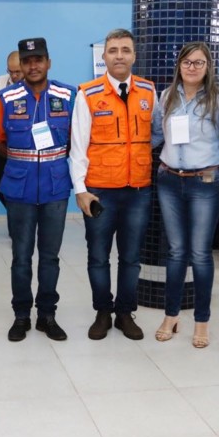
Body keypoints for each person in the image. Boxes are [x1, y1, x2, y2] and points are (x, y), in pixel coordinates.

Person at [69, 28, 161, 341]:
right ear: (104, 56)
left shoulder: (148, 91)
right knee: (98, 256)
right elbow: (78, 147)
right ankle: (102, 312)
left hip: (137, 190)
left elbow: (156, 134)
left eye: (125, 50)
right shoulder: (88, 94)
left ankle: (124, 313)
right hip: (100, 191)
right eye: (113, 50)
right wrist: (80, 190)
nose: (119, 56)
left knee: (131, 258)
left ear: (134, 55)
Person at [154, 42, 219, 348]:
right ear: (179, 65)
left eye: (199, 62)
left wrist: (212, 164)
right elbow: (156, 134)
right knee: (176, 252)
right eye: (187, 62)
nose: (192, 67)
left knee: (200, 254)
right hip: (169, 180)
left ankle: (202, 320)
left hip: (204, 184)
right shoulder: (167, 96)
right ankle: (171, 316)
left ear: (208, 67)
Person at [0, 38, 76, 342]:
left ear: (48, 62)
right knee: (21, 257)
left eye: (39, 59)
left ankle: (47, 315)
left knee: (50, 257)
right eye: (27, 61)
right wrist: (20, 160)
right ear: (20, 66)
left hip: (55, 187)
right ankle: (22, 315)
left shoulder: (68, 95)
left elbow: (77, 139)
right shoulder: (6, 98)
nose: (33, 66)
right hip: (20, 188)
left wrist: (53, 160)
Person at [0, 51, 23, 209]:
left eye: (17, 71)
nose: (14, 75)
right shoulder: (1, 81)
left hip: (24, 143)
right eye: (11, 71)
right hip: (4, 142)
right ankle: (15, 213)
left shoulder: (33, 83)